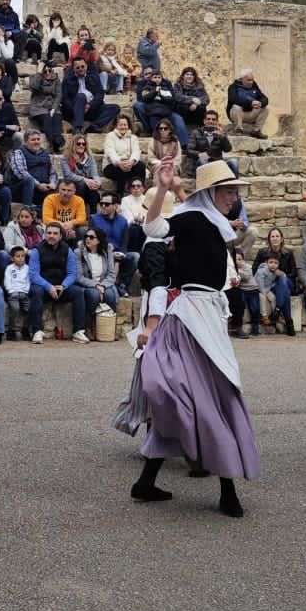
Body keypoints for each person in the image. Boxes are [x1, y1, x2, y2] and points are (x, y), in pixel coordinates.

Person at [130, 157, 256, 517]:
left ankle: (145, 482)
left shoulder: (212, 220)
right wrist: (164, 188)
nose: (234, 197)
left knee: (203, 397)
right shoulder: (193, 217)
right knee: (212, 397)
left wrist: (181, 191)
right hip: (190, 317)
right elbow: (153, 227)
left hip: (208, 315)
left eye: (234, 191)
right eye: (229, 191)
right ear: (213, 192)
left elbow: (227, 228)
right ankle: (227, 489)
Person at [26, 222, 78, 341]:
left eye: (55, 233)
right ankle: (36, 331)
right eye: (49, 233)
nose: (51, 236)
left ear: (60, 236)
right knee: (36, 291)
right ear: (45, 235)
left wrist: (64, 286)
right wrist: (48, 287)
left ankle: (78, 331)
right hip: (43, 288)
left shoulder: (67, 250)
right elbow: (33, 275)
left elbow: (72, 273)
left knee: (79, 292)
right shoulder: (37, 250)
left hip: (61, 288)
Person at [74, 226, 122, 339]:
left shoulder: (107, 250)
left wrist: (102, 286)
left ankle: (109, 329)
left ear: (99, 240)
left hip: (105, 283)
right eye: (86, 236)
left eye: (91, 237)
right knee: (94, 295)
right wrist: (96, 285)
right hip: (88, 284)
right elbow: (79, 277)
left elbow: (111, 274)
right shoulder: (78, 252)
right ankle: (87, 327)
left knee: (110, 295)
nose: (87, 239)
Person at [224, 69, 268, 136]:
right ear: (241, 79)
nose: (251, 82)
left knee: (265, 109)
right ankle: (239, 129)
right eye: (248, 80)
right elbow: (233, 99)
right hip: (237, 114)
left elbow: (264, 98)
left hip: (250, 113)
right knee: (236, 107)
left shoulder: (254, 87)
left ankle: (256, 131)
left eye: (252, 80)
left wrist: (260, 103)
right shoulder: (233, 87)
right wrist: (250, 103)